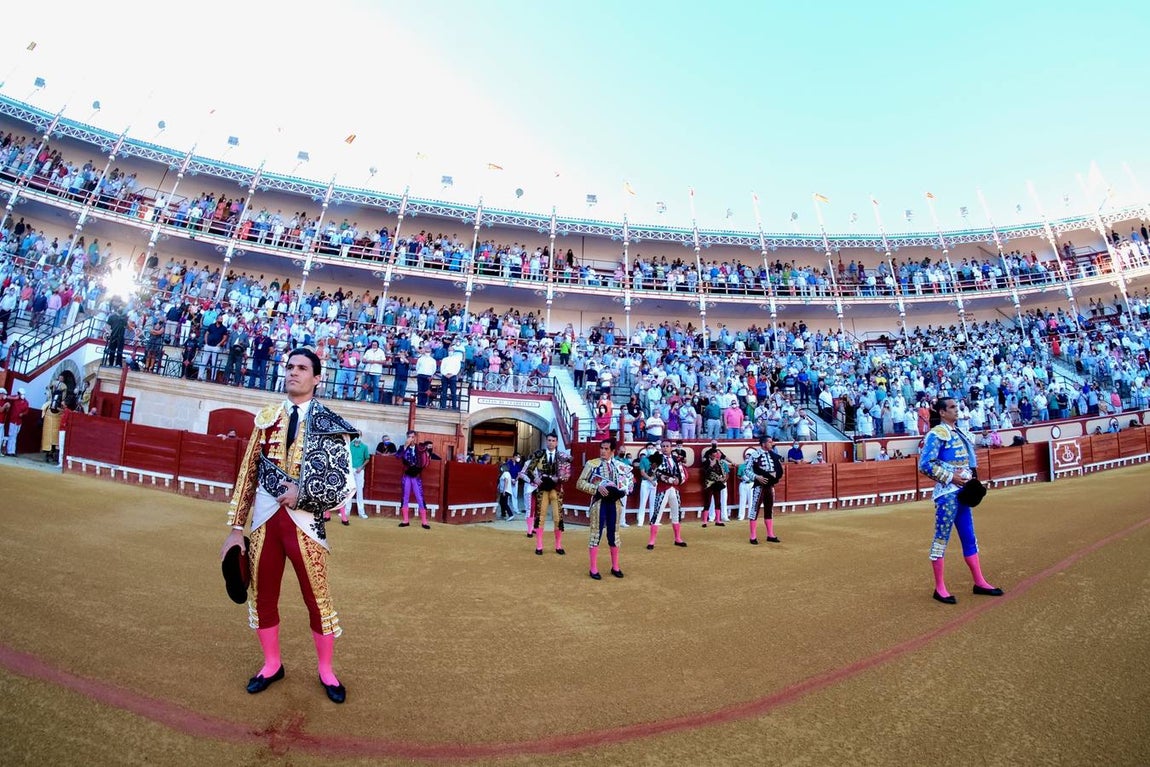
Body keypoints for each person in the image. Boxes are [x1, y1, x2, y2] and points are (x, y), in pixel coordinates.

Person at [217, 347, 357, 704]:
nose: (293, 372)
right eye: (290, 366)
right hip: (265, 521)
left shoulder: (330, 422)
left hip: (306, 522)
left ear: (316, 377)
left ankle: (326, 671)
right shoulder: (266, 418)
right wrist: (236, 528)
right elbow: (248, 472)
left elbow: (343, 482)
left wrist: (303, 492)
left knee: (317, 599)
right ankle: (271, 664)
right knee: (263, 595)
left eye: (302, 368)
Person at [919, 396, 1003, 604]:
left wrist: (973, 480)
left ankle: (980, 581)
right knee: (941, 538)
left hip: (963, 491)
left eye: (957, 407)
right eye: (952, 407)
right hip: (947, 494)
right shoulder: (936, 434)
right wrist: (951, 477)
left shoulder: (961, 432)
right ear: (942, 412)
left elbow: (969, 463)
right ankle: (940, 588)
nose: (957, 410)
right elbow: (924, 464)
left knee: (969, 536)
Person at [577, 437, 635, 580]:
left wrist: (625, 491)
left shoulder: (621, 466)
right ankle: (593, 568)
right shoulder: (592, 464)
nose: (603, 451)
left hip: (615, 504)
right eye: (601, 448)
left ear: (613, 451)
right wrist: (596, 488)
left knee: (614, 535)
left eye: (606, 449)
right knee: (596, 534)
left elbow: (630, 483)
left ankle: (615, 566)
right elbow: (579, 483)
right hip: (599, 503)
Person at [526, 433, 571, 555]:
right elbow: (529, 470)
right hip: (542, 489)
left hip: (556, 489)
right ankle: (539, 545)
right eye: (549, 440)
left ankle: (558, 545)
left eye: (553, 440)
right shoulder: (538, 454)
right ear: (546, 441)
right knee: (540, 517)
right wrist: (535, 479)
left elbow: (567, 475)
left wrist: (560, 478)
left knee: (558, 518)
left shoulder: (563, 456)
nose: (551, 442)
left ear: (557, 442)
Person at [645, 439, 688, 550]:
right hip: (663, 489)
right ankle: (651, 541)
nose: (665, 448)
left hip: (675, 489)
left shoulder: (676, 459)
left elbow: (683, 473)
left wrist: (679, 480)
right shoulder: (657, 458)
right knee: (657, 513)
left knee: (676, 513)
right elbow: (652, 473)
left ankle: (678, 538)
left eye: (667, 446)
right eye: (663, 446)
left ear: (671, 447)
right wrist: (667, 478)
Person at [747, 434, 784, 545]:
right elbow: (746, 470)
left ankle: (770, 535)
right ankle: (753, 536)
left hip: (770, 486)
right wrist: (756, 477)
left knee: (769, 509)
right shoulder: (755, 455)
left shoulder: (773, 455)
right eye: (769, 442)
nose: (771, 444)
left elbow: (778, 469)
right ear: (763, 444)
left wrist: (775, 475)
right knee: (754, 510)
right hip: (759, 486)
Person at [397, 430, 432, 528]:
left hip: (416, 476)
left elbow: (426, 462)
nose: (411, 439)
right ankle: (405, 521)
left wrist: (418, 468)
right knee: (405, 497)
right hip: (407, 476)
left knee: (420, 498)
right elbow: (398, 456)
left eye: (412, 437)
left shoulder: (421, 448)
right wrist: (405, 446)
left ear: (415, 438)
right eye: (409, 437)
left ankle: (424, 522)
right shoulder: (402, 448)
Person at [343, 434, 371, 522]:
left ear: (361, 436)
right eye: (356, 435)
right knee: (349, 490)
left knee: (359, 491)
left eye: (359, 435)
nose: (357, 437)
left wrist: (361, 467)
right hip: (350, 470)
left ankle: (361, 512)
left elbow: (367, 459)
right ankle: (346, 512)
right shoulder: (349, 445)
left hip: (359, 470)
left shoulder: (364, 447)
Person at [699, 445, 729, 527]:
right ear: (710, 455)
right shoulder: (706, 463)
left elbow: (722, 472)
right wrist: (711, 466)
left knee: (718, 502)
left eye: (716, 455)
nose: (715, 456)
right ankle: (705, 521)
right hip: (709, 484)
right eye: (714, 455)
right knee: (707, 502)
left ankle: (718, 520)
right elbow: (704, 473)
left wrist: (723, 479)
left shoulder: (719, 463)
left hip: (717, 484)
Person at [4, 389, 30, 457]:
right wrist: (15, 397)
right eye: (21, 394)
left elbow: (26, 411)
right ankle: (9, 451)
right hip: (13, 420)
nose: (22, 395)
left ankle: (12, 451)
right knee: (11, 435)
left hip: (19, 421)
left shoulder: (26, 402)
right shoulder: (15, 398)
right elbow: (6, 397)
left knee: (15, 436)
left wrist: (23, 414)